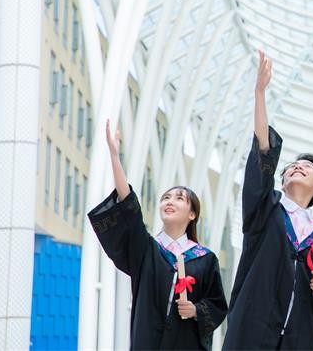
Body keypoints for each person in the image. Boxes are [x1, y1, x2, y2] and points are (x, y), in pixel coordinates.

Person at [223, 51, 313, 350]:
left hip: (299, 338)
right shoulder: (265, 210)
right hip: (254, 332)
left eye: (307, 167)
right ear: (280, 181)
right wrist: (259, 93)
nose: (297, 166)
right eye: (291, 166)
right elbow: (264, 151)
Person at [88, 121, 227, 350]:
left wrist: (195, 310)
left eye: (179, 198)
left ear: (192, 214)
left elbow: (218, 305)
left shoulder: (205, 258)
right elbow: (129, 206)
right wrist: (115, 156)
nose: (170, 201)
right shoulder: (147, 250)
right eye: (166, 198)